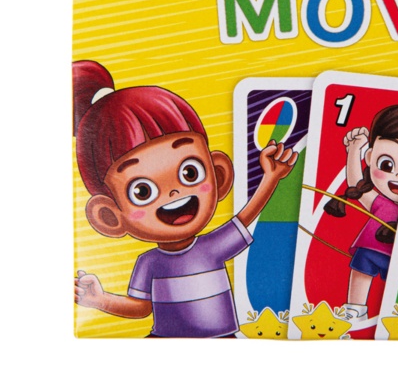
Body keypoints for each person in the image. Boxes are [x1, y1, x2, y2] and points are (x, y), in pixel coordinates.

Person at [72, 59, 296, 337]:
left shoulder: (211, 247)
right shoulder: (149, 263)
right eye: (143, 191)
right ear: (109, 216)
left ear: (219, 175)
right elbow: (141, 308)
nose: (174, 193)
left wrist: (271, 177)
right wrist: (99, 300)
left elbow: (247, 217)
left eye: (190, 173)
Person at [324, 99, 398, 321]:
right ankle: (354, 310)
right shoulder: (380, 203)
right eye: (387, 165)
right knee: (360, 272)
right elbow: (355, 183)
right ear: (370, 158)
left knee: (396, 289)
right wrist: (354, 151)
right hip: (369, 250)